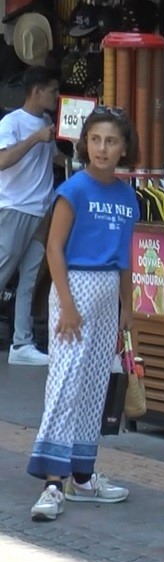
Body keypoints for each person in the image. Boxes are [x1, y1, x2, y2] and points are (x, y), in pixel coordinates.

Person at [27, 107, 141, 521]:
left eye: (111, 141)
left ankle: (84, 476)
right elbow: (54, 247)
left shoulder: (129, 196)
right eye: (95, 140)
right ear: (85, 144)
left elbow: (126, 257)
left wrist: (127, 307)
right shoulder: (74, 190)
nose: (102, 148)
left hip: (108, 292)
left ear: (124, 147)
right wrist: (67, 305)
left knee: (94, 384)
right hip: (73, 287)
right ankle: (52, 484)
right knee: (66, 381)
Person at [0, 66, 66, 366]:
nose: (56, 95)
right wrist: (35, 138)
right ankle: (20, 343)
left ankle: (21, 344)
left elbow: (54, 157)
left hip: (41, 210)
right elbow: (3, 160)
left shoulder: (48, 123)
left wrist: (77, 156)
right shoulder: (11, 122)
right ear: (37, 91)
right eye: (52, 90)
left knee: (28, 278)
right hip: (15, 208)